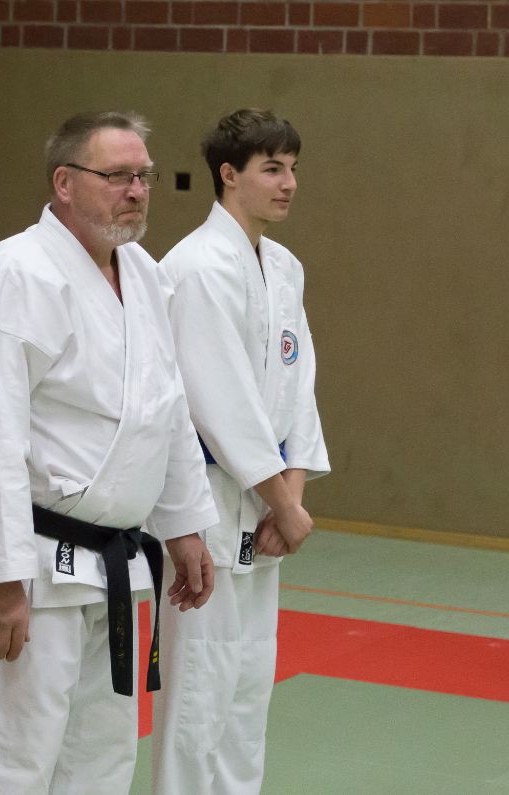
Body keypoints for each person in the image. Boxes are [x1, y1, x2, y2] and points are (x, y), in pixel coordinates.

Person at [0, 111, 220, 794]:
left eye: (144, 176)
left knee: (101, 755)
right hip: (37, 568)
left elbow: (167, 407)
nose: (137, 191)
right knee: (17, 756)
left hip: (117, 563)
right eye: (118, 176)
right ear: (64, 183)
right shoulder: (15, 273)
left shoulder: (146, 275)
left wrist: (184, 522)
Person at [151, 109, 331, 794]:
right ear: (228, 174)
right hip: (206, 507)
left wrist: (291, 496)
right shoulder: (195, 267)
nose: (289, 183)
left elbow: (297, 387)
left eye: (293, 169)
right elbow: (218, 399)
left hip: (264, 509)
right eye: (272, 169)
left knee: (249, 690)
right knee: (199, 692)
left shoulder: (283, 267)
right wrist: (282, 503)